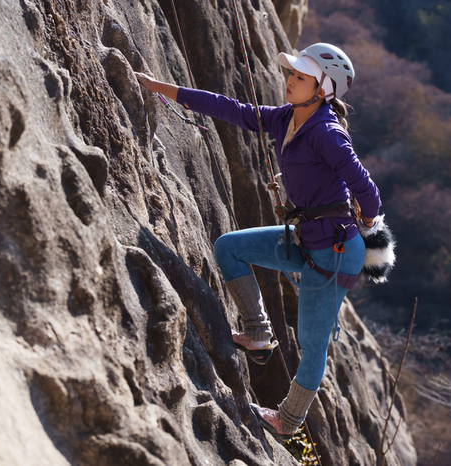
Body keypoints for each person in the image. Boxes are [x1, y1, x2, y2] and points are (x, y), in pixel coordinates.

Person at [135, 42, 381, 441]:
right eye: (291, 73)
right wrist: (159, 87)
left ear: (322, 89)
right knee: (229, 247)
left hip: (335, 253)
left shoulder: (327, 134)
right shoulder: (287, 119)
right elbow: (228, 108)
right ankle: (258, 333)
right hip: (308, 241)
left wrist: (366, 219)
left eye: (301, 77)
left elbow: (368, 191)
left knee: (312, 344)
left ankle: (288, 421)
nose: (290, 80)